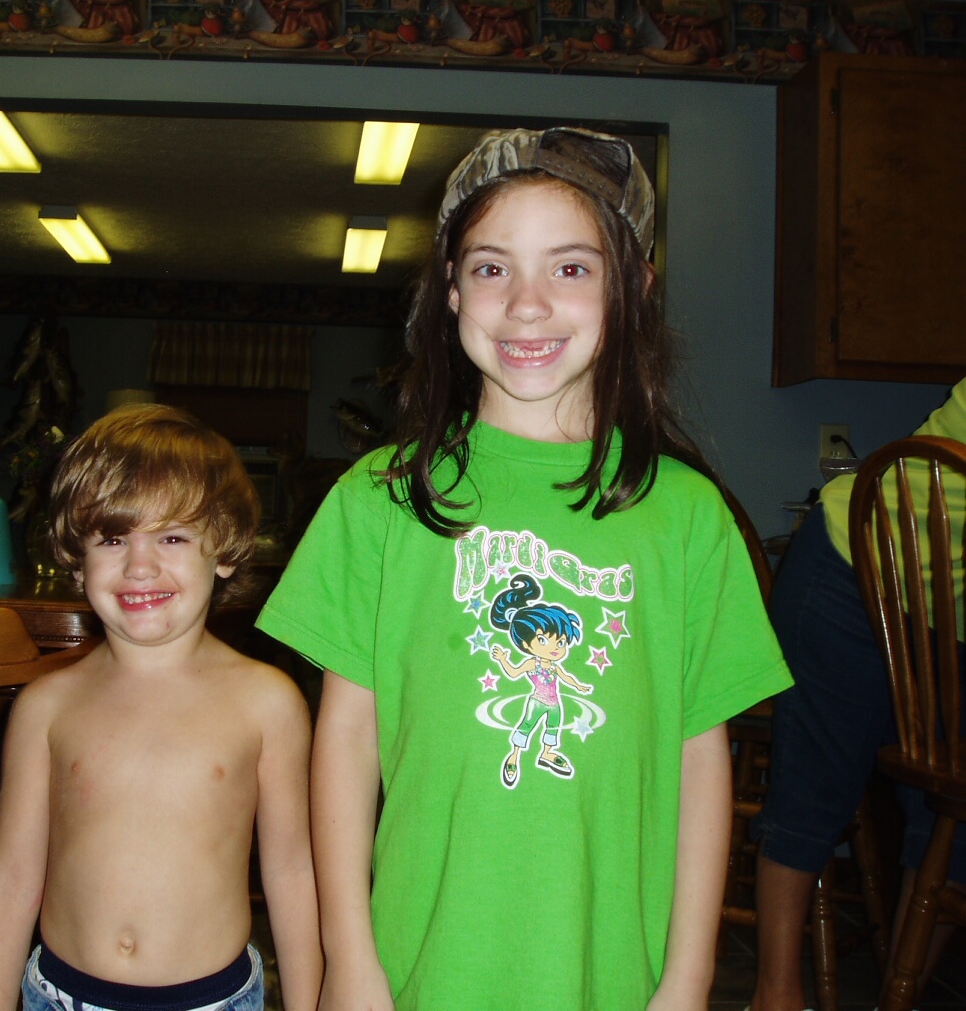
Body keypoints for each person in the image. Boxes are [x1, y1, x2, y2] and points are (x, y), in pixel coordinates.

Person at [255, 126, 792, 1010]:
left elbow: (701, 761)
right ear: (450, 292)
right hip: (420, 962)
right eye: (491, 267)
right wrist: (347, 958)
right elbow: (345, 738)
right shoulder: (376, 500)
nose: (527, 304)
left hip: (615, 972)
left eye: (570, 268)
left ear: (633, 290)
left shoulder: (691, 517)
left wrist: (689, 976)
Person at [0, 403, 323, 1011]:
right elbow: (9, 882)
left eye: (172, 537)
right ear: (76, 558)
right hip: (61, 996)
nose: (139, 566)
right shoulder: (45, 706)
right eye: (112, 538)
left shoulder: (267, 703)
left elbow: (291, 872)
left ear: (225, 549)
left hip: (212, 1000)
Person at [749, 377, 966, 1011]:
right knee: (811, 796)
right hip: (853, 565)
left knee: (953, 817)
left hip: (949, 618)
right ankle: (774, 998)